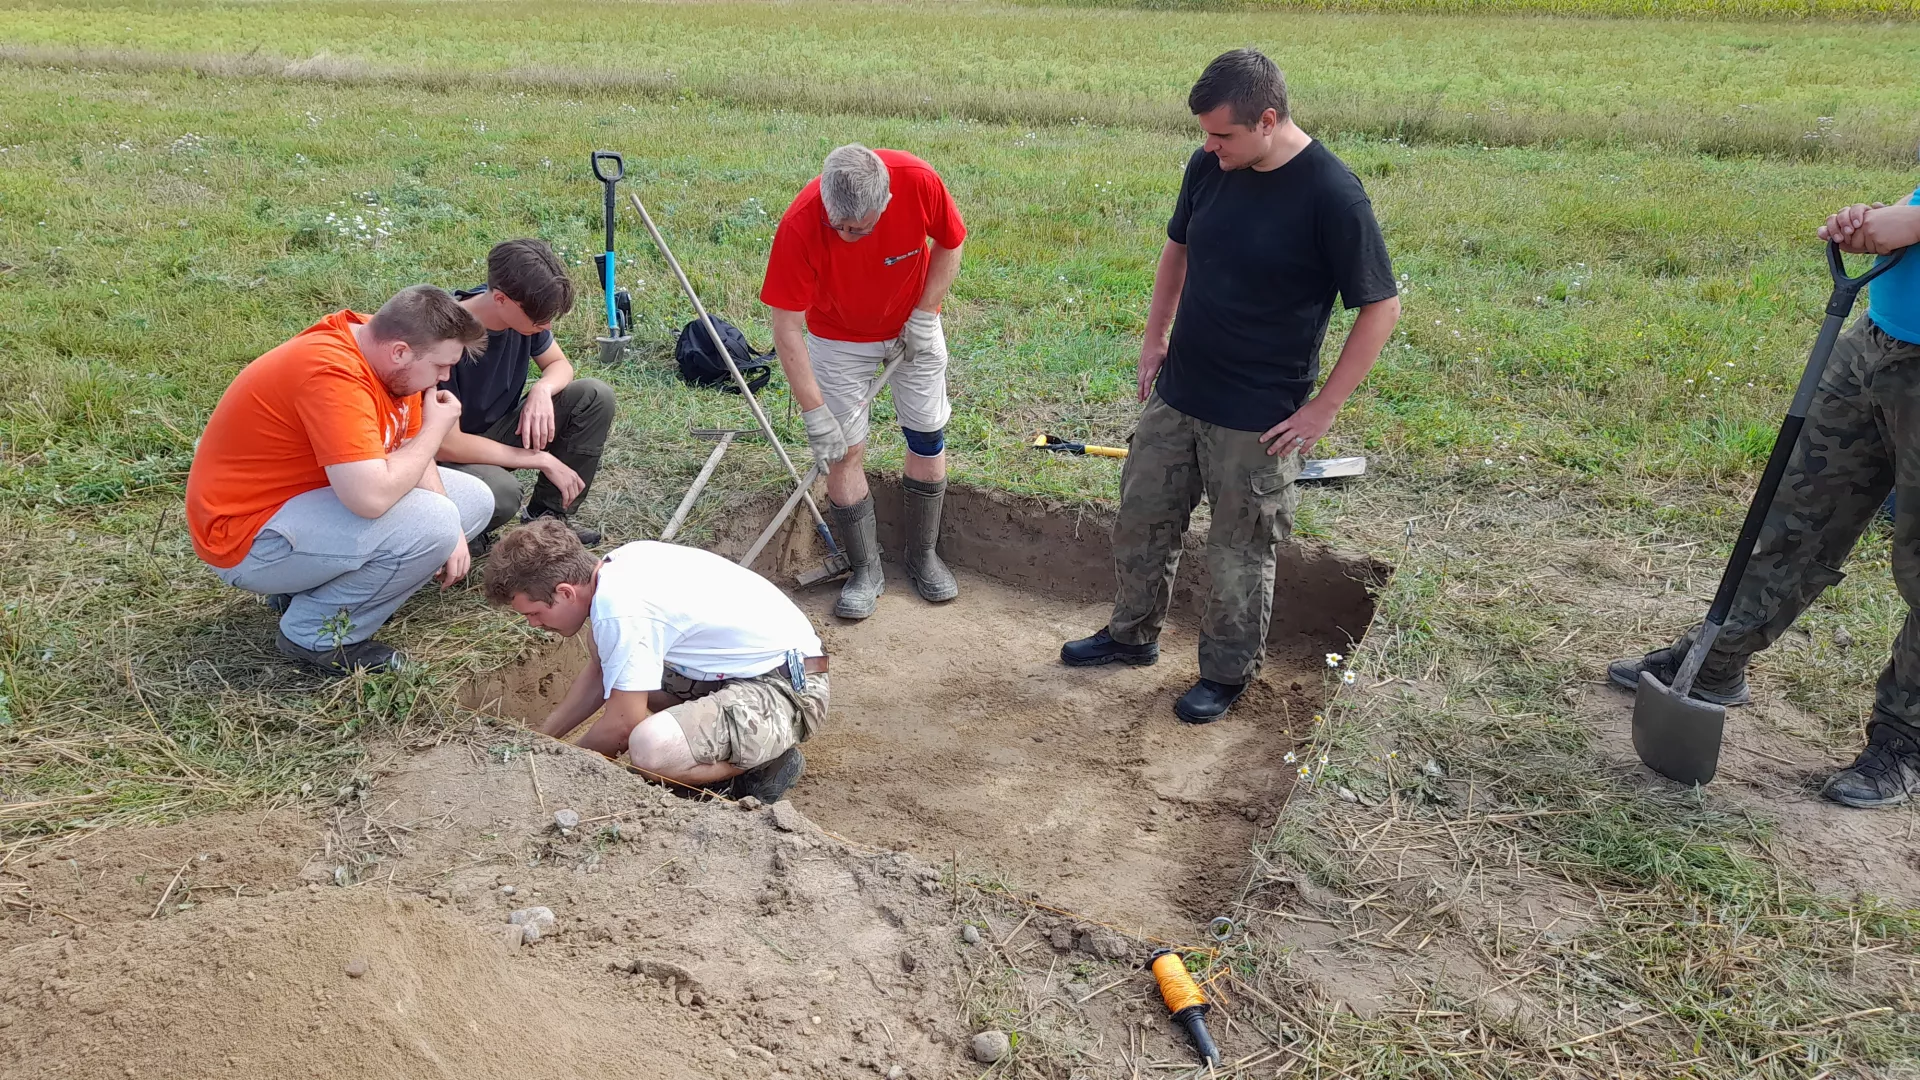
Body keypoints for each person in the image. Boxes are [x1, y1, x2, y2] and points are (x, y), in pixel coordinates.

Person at [1059, 49, 1401, 725]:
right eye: (1206, 134)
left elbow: (1380, 306)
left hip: (1258, 418)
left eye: (1223, 135)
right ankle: (1132, 636)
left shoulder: (1332, 195)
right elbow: (1177, 249)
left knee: (1239, 552)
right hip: (1181, 391)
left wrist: (1323, 409)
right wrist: (1155, 338)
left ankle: (1225, 672)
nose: (1209, 147)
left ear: (1267, 120)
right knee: (1142, 520)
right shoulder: (1208, 167)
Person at [1610, 189, 1920, 808]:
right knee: (1793, 513)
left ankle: (1907, 736)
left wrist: (1910, 222)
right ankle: (1715, 661)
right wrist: (1879, 218)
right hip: (1880, 333)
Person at [186, 286, 494, 674]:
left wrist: (450, 523)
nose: (446, 377)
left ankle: (313, 591)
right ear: (399, 352)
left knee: (472, 500)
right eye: (441, 367)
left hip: (306, 506)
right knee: (434, 520)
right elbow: (371, 499)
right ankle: (315, 634)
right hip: (246, 538)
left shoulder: (384, 349)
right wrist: (436, 431)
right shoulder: (333, 375)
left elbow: (407, 446)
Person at [760, 143, 967, 620]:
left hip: (912, 323)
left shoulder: (917, 181)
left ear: (888, 201)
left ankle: (923, 556)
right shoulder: (800, 224)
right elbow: (787, 327)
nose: (850, 236)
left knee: (926, 436)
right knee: (844, 450)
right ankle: (866, 569)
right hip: (837, 336)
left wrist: (925, 312)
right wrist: (814, 412)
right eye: (841, 227)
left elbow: (951, 242)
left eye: (862, 227)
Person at [483, 518, 825, 803]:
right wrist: (542, 743)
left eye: (534, 613)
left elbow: (622, 725)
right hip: (747, 670)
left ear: (565, 592)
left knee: (650, 749)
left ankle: (763, 766)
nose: (534, 624)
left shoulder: (620, 609)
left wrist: (560, 768)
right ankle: (731, 748)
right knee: (611, 656)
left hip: (789, 689)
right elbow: (603, 672)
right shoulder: (618, 565)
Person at [436, 238, 614, 551]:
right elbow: (447, 444)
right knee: (502, 493)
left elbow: (559, 364)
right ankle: (461, 526)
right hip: (446, 455)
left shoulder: (522, 315)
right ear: (501, 298)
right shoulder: (444, 336)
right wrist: (540, 458)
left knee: (593, 396)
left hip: (495, 433)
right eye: (538, 319)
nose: (545, 325)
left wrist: (542, 389)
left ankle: (547, 517)